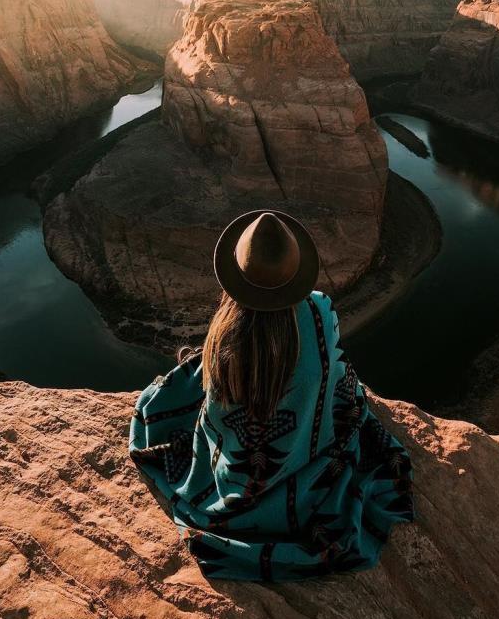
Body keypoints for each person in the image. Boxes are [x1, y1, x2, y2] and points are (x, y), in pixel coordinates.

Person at [129, 210, 414, 582]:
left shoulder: (225, 344)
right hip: (315, 463)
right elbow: (333, 373)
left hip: (238, 479)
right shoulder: (320, 310)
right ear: (295, 274)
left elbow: (219, 423)